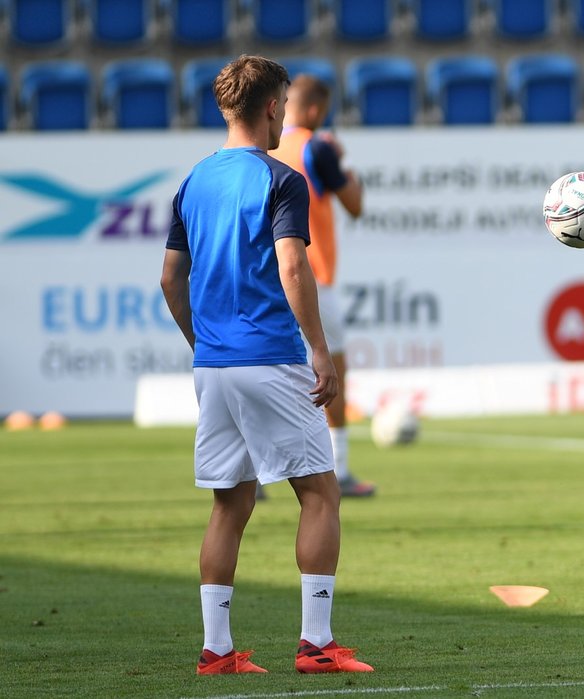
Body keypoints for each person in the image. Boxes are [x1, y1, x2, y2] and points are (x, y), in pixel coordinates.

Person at [160, 55, 374, 675]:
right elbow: (291, 265)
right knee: (319, 493)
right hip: (273, 358)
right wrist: (317, 350)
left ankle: (217, 651)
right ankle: (317, 645)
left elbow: (172, 277)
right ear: (274, 106)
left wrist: (201, 344)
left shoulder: (194, 180)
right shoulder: (281, 180)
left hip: (217, 366)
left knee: (230, 504)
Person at [268, 73, 374, 498]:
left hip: (266, 275)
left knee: (267, 371)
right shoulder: (316, 147)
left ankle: (251, 475)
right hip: (311, 275)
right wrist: (342, 162)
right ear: (314, 110)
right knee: (334, 367)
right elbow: (355, 205)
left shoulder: (265, 147)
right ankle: (341, 469)